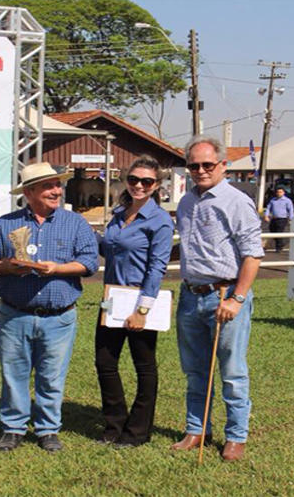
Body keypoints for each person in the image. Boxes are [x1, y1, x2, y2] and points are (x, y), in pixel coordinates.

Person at [0, 162, 98, 453]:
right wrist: (5, 266)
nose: (57, 190)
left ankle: (47, 429)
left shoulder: (76, 223)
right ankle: (13, 427)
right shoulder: (5, 224)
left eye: (58, 185)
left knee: (52, 375)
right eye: (49, 186)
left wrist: (58, 268)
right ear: (29, 193)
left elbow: (90, 263)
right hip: (15, 313)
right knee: (13, 373)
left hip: (59, 316)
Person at [172, 135, 264, 462]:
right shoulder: (185, 202)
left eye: (207, 164)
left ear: (222, 165)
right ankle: (197, 430)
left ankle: (236, 437)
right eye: (193, 165)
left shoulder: (236, 201)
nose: (200, 170)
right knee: (195, 371)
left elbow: (253, 255)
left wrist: (237, 299)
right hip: (190, 296)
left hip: (224, 296)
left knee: (232, 371)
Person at [95, 156, 173, 448]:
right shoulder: (118, 213)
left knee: (144, 366)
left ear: (157, 185)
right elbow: (108, 248)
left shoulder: (160, 221)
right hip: (112, 298)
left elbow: (157, 267)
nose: (139, 185)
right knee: (104, 362)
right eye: (134, 180)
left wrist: (142, 310)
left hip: (140, 300)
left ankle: (138, 431)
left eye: (147, 181)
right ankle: (114, 424)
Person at [264, 187, 294, 252]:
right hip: (274, 219)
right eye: (278, 192)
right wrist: (266, 216)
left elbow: (290, 210)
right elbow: (268, 208)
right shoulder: (273, 200)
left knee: (279, 232)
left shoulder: (287, 201)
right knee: (272, 231)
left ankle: (279, 248)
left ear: (283, 193)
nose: (279, 193)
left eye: (280, 192)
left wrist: (291, 218)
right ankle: (281, 243)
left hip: (282, 219)